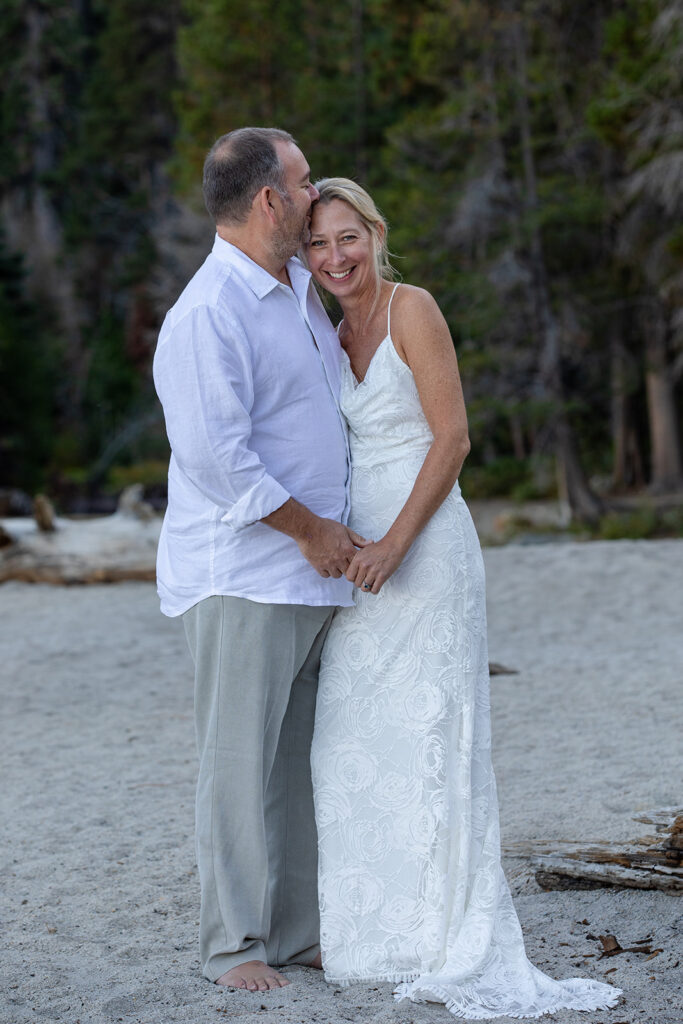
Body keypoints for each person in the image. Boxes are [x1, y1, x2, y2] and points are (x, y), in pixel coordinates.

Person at [306, 178, 621, 1018]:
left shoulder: (414, 308)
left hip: (424, 548)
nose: (335, 257)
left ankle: (445, 932)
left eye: (347, 237)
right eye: (316, 244)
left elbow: (452, 437)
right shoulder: (331, 333)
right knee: (353, 735)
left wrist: (395, 545)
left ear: (374, 233)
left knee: (435, 734)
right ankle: (376, 934)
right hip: (357, 562)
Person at [153, 131, 367, 993]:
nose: (315, 193)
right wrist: (314, 530)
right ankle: (232, 946)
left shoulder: (294, 292)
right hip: (243, 575)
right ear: (271, 200)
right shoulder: (209, 312)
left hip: (312, 578)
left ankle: (295, 932)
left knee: (295, 768)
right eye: (305, 180)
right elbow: (219, 459)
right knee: (237, 767)